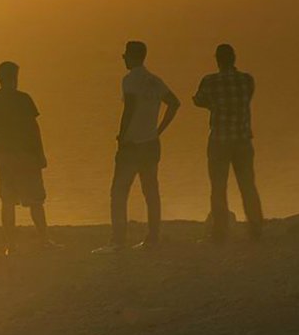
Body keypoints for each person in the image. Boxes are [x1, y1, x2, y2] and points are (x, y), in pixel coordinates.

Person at [96, 40, 179, 252]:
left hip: (132, 144)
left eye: (125, 54)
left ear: (132, 56)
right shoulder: (154, 80)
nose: (123, 57)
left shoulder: (129, 80)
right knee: (150, 191)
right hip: (151, 143)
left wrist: (122, 136)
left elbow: (129, 109)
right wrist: (159, 129)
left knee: (119, 191)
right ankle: (153, 238)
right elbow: (174, 103)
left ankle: (118, 241)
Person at [0, 61, 56, 252]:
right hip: (27, 156)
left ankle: (10, 245)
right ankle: (44, 240)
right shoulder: (24, 99)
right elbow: (34, 129)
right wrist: (41, 154)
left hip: (6, 157)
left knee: (7, 201)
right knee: (36, 200)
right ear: (15, 77)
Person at [192, 43, 264, 241]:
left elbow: (198, 100)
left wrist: (214, 104)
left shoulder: (210, 81)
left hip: (219, 140)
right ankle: (256, 227)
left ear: (217, 60)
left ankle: (220, 231)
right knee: (248, 185)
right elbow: (245, 98)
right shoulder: (247, 80)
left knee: (218, 186)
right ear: (234, 59)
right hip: (242, 139)